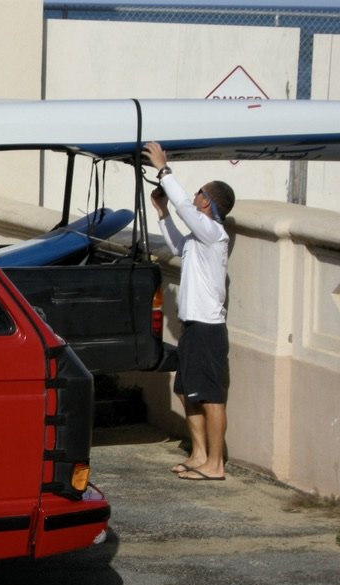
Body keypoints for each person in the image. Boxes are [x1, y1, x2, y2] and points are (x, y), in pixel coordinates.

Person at [144, 141, 235, 482]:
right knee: (186, 390)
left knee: (211, 397)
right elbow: (177, 244)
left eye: (200, 193)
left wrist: (164, 169)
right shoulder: (199, 239)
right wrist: (163, 213)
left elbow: (185, 207)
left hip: (208, 327)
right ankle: (199, 455)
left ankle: (216, 464)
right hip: (192, 325)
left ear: (208, 202)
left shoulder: (213, 233)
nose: (194, 195)